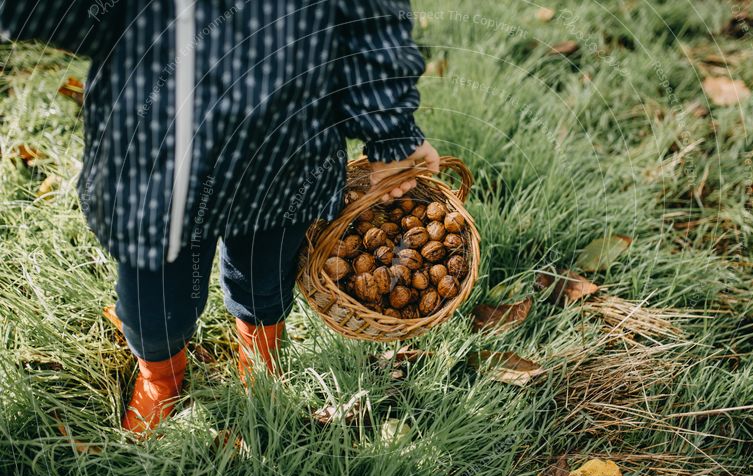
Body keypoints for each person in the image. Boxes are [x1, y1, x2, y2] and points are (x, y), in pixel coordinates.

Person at [0, 1, 439, 433]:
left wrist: (392, 133)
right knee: (153, 301)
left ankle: (259, 348)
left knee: (265, 273)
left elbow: (372, 23)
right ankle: (161, 374)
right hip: (159, 155)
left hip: (285, 151)